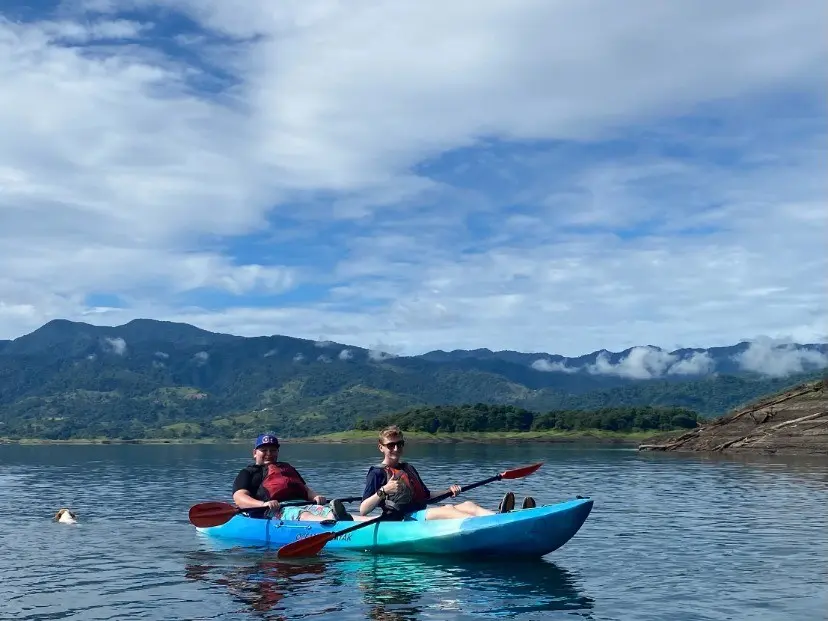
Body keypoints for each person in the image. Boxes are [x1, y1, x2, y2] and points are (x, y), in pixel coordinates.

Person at [359, 425, 532, 520]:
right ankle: (494, 524)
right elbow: (363, 510)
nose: (396, 448)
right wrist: (384, 491)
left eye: (400, 444)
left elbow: (427, 496)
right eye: (391, 445)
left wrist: (449, 492)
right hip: (401, 519)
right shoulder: (377, 473)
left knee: (469, 505)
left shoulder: (408, 468)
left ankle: (501, 518)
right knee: (449, 510)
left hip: (418, 513)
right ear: (381, 447)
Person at [232, 432, 353, 521]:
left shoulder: (286, 468)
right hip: (273, 510)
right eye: (264, 450)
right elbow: (239, 497)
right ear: (255, 453)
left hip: (301, 504)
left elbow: (305, 489)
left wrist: (316, 496)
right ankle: (327, 522)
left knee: (327, 511)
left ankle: (367, 521)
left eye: (273, 450)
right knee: (300, 514)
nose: (269, 454)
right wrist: (263, 504)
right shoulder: (248, 472)